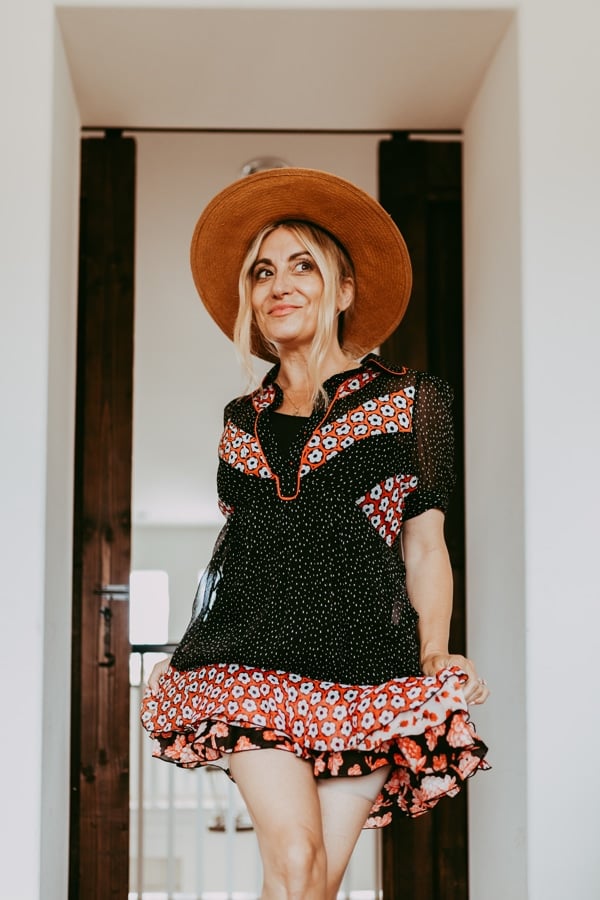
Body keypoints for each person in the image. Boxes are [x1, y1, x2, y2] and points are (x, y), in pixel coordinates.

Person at [141, 167, 489, 900]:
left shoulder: (416, 403)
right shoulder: (242, 421)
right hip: (250, 663)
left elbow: (424, 543)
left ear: (345, 288)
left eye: (303, 265)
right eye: (263, 271)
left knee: (314, 884)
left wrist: (433, 651)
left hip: (367, 671)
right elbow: (244, 552)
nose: (280, 285)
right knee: (295, 859)